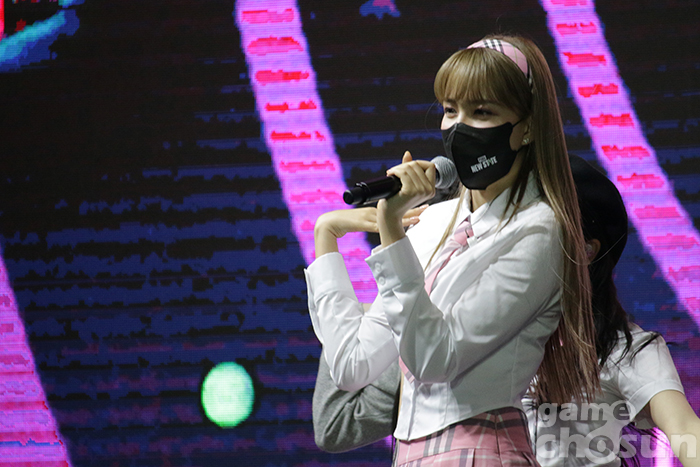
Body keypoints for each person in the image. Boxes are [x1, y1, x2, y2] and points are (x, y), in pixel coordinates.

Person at [306, 34, 600, 466]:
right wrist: (326, 237)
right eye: (450, 110)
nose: (459, 127)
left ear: (527, 126)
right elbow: (352, 365)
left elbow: (434, 359)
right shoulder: (433, 221)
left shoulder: (540, 230)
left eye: (482, 112)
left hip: (483, 449)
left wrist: (391, 233)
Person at [311, 155, 700, 467]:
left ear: (585, 250)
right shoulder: (465, 327)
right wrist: (333, 238)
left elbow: (684, 428)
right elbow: (336, 422)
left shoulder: (623, 347)